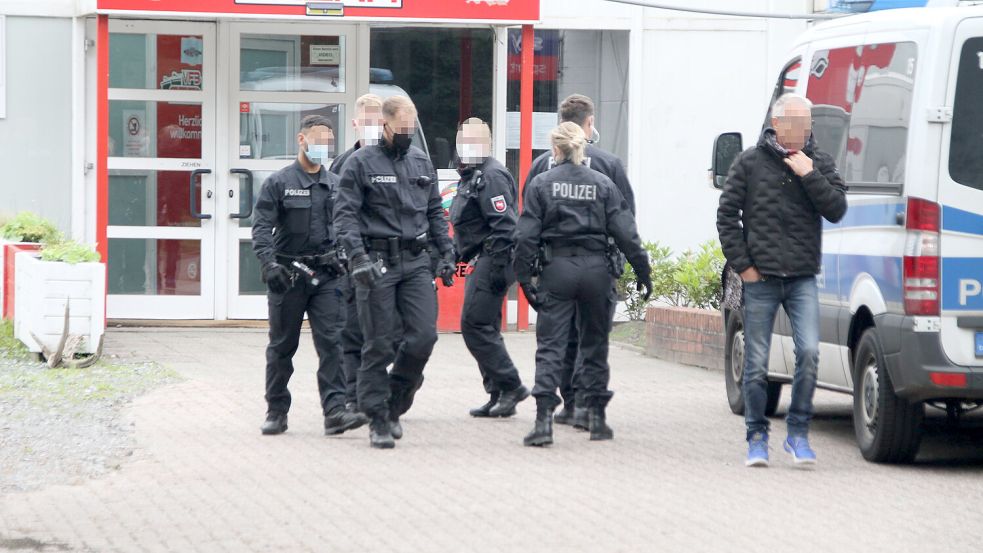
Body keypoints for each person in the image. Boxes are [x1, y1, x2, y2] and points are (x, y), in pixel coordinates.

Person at [716, 93, 847, 468]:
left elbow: (836, 208)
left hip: (802, 277)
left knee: (808, 353)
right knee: (756, 363)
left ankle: (798, 434)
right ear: (778, 124)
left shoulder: (818, 161)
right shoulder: (749, 163)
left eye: (808, 125)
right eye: (797, 125)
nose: (804, 132)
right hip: (761, 279)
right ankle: (756, 436)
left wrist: (810, 175)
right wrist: (745, 268)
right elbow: (726, 217)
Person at [514, 122, 651, 447]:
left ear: (556, 150)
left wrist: (522, 277)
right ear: (581, 148)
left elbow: (525, 236)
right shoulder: (602, 183)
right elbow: (626, 231)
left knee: (551, 346)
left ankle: (544, 422)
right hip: (597, 270)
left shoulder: (542, 183)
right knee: (595, 346)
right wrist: (643, 270)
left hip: (557, 269)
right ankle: (598, 419)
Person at [334, 95, 456, 449]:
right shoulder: (360, 163)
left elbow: (435, 212)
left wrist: (446, 253)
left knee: (422, 338)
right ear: (385, 125)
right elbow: (345, 216)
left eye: (411, 128)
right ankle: (377, 418)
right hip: (376, 260)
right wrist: (356, 258)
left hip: (416, 261)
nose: (407, 134)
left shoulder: (421, 162)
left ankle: (394, 402)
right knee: (379, 343)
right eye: (401, 128)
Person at [252, 115, 369, 437]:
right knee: (282, 346)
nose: (323, 148)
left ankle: (335, 412)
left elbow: (348, 227)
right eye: (317, 140)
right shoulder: (279, 183)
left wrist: (350, 260)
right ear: (301, 140)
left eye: (327, 143)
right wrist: (268, 264)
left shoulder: (335, 184)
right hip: (288, 276)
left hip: (328, 276)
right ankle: (276, 411)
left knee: (332, 344)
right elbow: (261, 228)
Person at [449, 118, 529, 418]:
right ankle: (497, 394)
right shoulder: (470, 174)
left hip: (494, 259)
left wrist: (496, 267)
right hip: (480, 259)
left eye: (473, 141)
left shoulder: (492, 176)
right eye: (462, 140)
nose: (466, 147)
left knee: (474, 325)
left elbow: (505, 227)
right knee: (488, 327)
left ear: (487, 144)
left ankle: (511, 385)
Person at [329, 93, 386, 415]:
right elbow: (333, 212)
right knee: (351, 330)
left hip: (389, 259)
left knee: (392, 333)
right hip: (352, 258)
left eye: (376, 122)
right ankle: (354, 396)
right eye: (365, 122)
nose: (371, 127)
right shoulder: (342, 163)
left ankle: (390, 385)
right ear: (355, 124)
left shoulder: (400, 159)